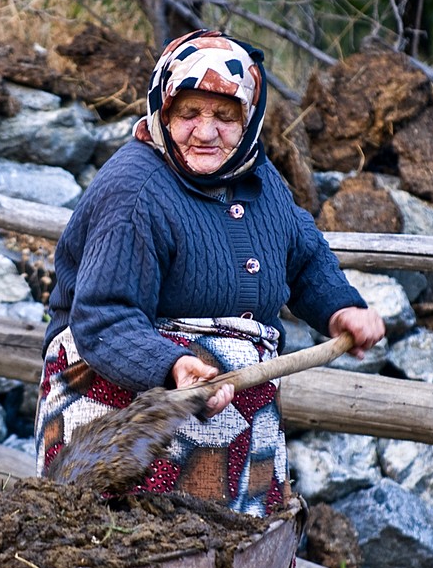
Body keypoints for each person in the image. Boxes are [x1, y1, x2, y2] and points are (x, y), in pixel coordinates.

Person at [35, 29, 384, 517]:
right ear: (163, 111)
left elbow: (302, 253)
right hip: (124, 409)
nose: (205, 131)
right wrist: (172, 366)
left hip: (234, 421)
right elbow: (104, 317)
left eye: (224, 116)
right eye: (189, 114)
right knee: (129, 550)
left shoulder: (258, 178)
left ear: (249, 119)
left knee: (228, 563)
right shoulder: (134, 192)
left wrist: (341, 307)